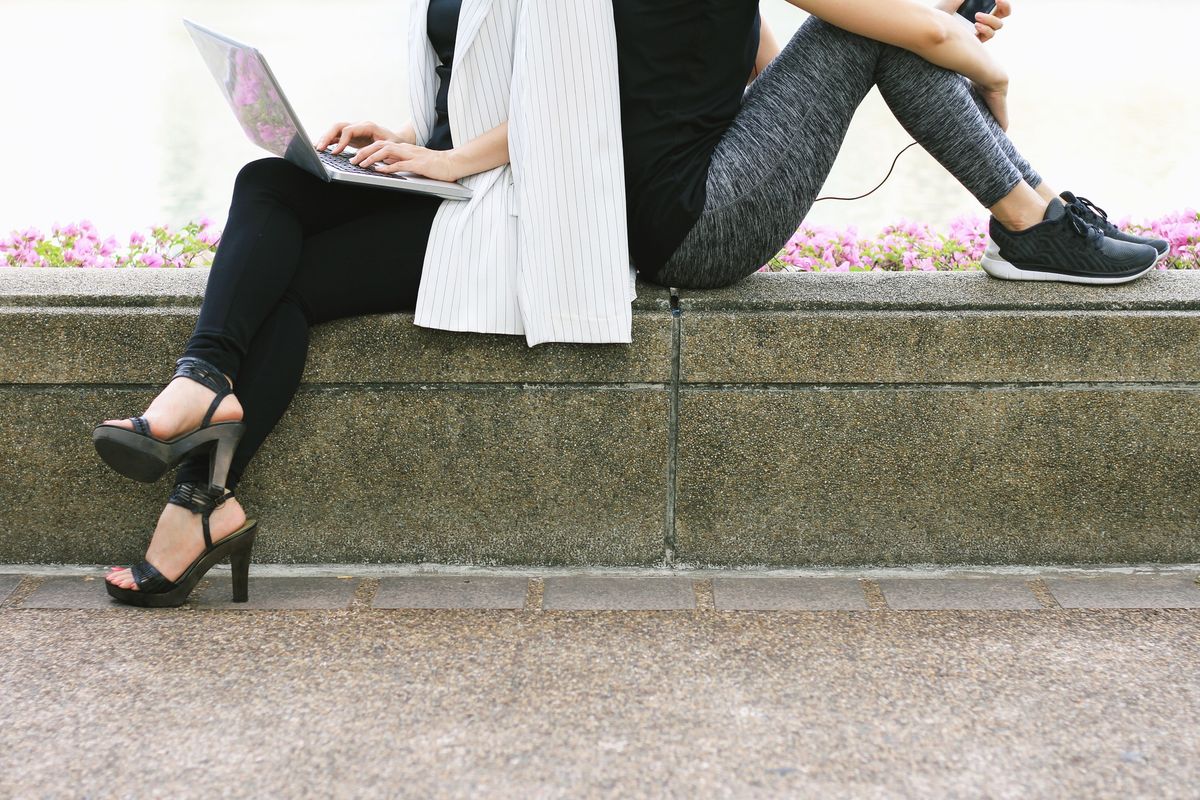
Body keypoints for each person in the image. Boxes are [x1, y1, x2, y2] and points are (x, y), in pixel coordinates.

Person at [94, 0, 631, 607]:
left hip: (511, 203)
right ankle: (202, 377)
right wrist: (404, 139)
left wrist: (446, 160)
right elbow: (468, 85)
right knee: (267, 182)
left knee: (293, 282)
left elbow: (571, 106)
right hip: (448, 177)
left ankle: (199, 502)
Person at [611, 0, 1169, 291]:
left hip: (666, 216)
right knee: (874, 27)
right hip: (696, 227)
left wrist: (942, 34)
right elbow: (913, 32)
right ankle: (1031, 224)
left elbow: (774, 70)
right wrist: (988, 75)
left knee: (886, 25)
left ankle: (1048, 215)